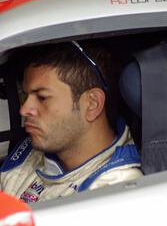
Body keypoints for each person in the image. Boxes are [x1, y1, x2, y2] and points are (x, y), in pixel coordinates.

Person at [0, 41, 142, 203]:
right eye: (25, 96)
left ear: (92, 104)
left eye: (42, 97)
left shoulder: (115, 193)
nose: (24, 109)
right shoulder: (35, 149)